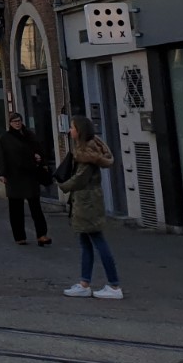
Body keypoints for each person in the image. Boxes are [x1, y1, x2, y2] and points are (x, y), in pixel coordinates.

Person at [59, 116, 123, 299]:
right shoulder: (89, 149)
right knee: (86, 241)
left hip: (87, 201)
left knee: (97, 240)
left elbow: (81, 178)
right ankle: (84, 283)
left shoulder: (86, 153)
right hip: (87, 199)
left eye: (72, 127)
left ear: (79, 131)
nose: (70, 130)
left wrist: (63, 185)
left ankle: (114, 285)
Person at [0, 112, 52, 246]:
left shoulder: (29, 135)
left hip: (30, 174)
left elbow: (39, 150)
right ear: (10, 123)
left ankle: (42, 234)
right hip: (14, 176)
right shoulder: (5, 138)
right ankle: (19, 237)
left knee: (36, 206)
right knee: (16, 208)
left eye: (19, 121)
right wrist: (1, 174)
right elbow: (2, 156)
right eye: (14, 121)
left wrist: (41, 160)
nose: (17, 123)